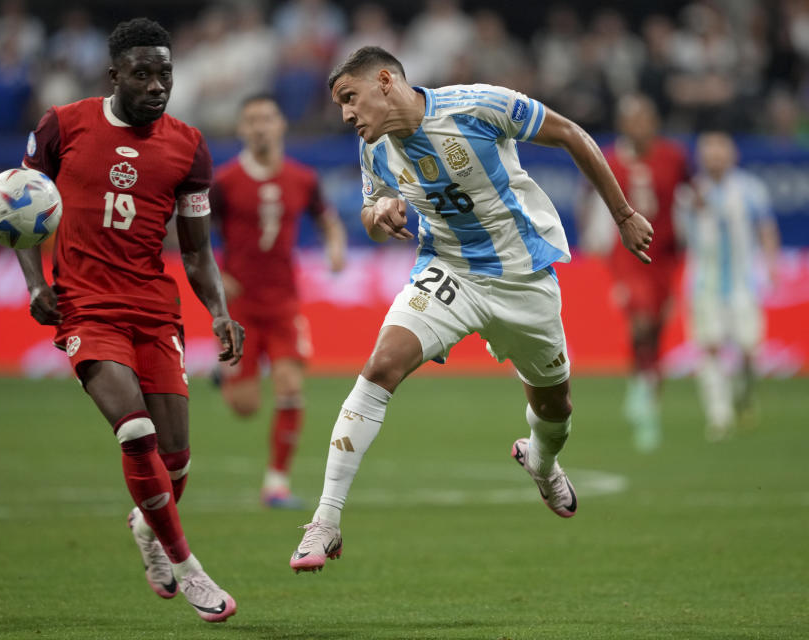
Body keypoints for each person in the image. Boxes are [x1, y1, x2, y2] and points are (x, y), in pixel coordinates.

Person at [289, 46, 655, 572]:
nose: (346, 114)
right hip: (449, 273)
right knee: (379, 368)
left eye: (350, 98)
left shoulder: (478, 107)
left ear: (386, 81)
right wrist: (381, 212)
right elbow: (372, 210)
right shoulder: (374, 147)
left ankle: (542, 460)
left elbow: (572, 134)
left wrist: (622, 215)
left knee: (556, 410)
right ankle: (325, 521)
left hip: (523, 278)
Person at [15, 18, 242, 622]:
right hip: (87, 305)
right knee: (135, 432)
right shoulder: (62, 126)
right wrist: (36, 281)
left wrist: (219, 311)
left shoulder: (189, 146)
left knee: (177, 457)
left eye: (165, 73)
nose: (157, 85)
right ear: (113, 75)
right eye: (143, 74)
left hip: (153, 307)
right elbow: (20, 205)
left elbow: (195, 250)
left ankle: (148, 525)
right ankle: (188, 567)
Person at [211, 93, 347, 508]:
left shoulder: (302, 178)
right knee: (246, 407)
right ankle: (224, 380)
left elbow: (327, 219)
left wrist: (336, 248)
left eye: (267, 118)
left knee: (290, 387)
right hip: (241, 307)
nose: (259, 127)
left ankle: (276, 484)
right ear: (241, 130)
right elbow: (194, 237)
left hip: (285, 302)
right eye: (251, 120)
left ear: (281, 125)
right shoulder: (225, 182)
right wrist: (218, 275)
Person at [599, 94, 690, 452]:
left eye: (644, 119)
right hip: (628, 256)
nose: (638, 127)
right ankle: (642, 396)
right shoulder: (610, 161)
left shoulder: (674, 157)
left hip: (665, 256)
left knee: (656, 329)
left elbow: (689, 193)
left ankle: (647, 391)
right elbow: (590, 202)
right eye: (631, 120)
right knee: (640, 323)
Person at [679, 131, 779, 441]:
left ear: (731, 155)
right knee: (709, 347)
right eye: (709, 153)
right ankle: (718, 416)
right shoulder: (690, 192)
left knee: (750, 348)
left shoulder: (750, 189)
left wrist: (771, 263)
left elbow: (765, 227)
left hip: (742, 282)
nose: (715, 159)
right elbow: (682, 235)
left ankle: (744, 394)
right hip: (704, 284)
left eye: (720, 152)